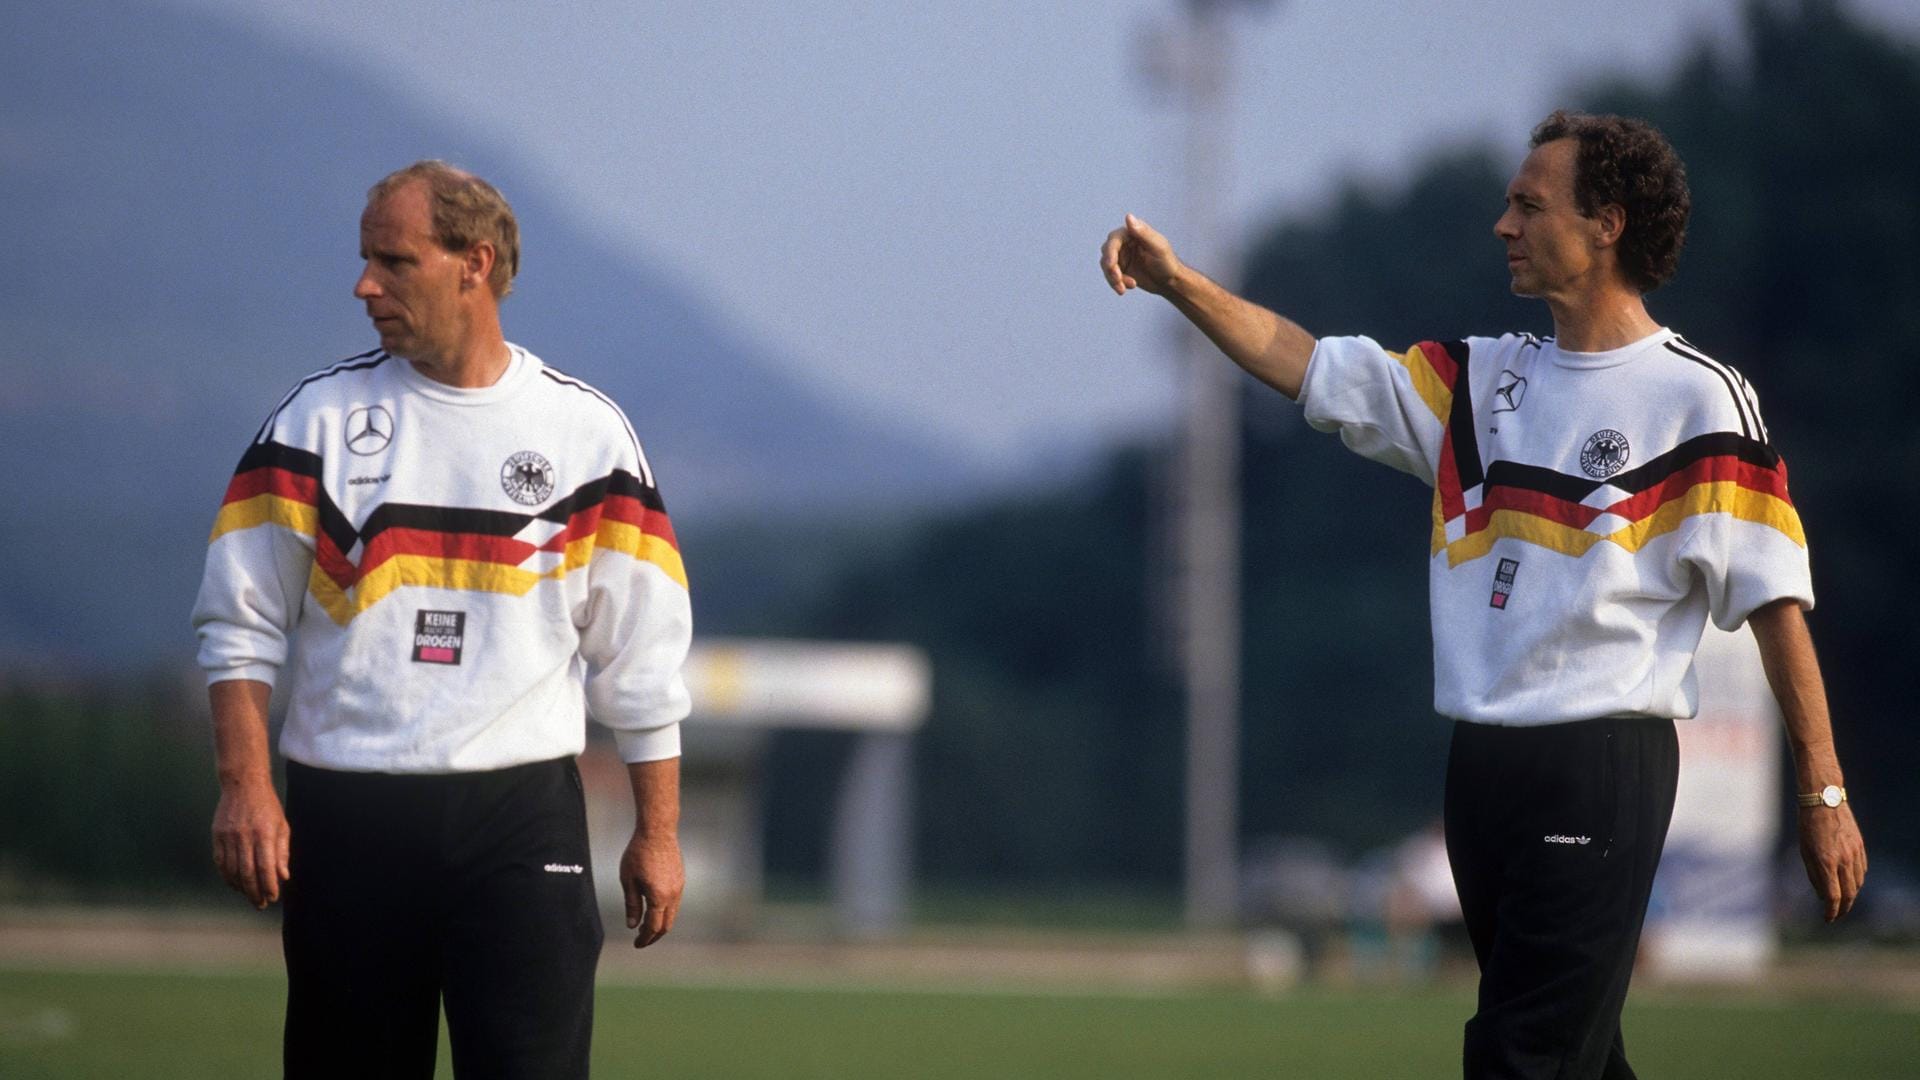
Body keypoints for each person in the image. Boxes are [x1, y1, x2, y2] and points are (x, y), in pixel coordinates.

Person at [1101, 110, 1866, 1079]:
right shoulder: (1478, 380)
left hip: (1601, 763)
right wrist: (1176, 285)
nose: (1502, 224)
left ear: (1608, 223)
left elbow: (1775, 604)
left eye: (1527, 204)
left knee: (1522, 1055)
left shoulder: (1701, 400)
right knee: (1570, 1053)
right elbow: (1306, 361)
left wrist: (1823, 790)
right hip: (1481, 768)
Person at [193, 160, 693, 1079]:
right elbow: (239, 621)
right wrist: (244, 784)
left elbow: (643, 658)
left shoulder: (587, 436)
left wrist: (657, 834)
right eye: (363, 260)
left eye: (393, 261)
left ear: (475, 262)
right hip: (348, 818)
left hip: (520, 821)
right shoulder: (315, 425)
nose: (364, 286)